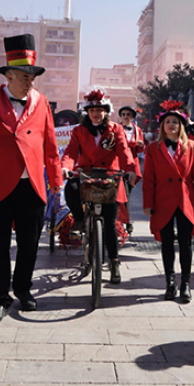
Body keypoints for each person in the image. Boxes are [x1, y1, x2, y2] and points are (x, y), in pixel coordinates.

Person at [0, 34, 63, 324]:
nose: (30, 81)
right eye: (24, 75)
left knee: (30, 245)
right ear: (8, 75)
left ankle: (23, 289)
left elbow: (51, 147)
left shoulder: (42, 102)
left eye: (32, 76)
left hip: (31, 185)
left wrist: (55, 180)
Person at [62, 88, 137, 285]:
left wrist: (130, 169)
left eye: (100, 110)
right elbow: (70, 152)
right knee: (70, 187)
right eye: (93, 110)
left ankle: (114, 263)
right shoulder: (78, 130)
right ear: (88, 111)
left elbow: (124, 151)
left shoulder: (116, 129)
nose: (96, 113)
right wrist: (65, 167)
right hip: (85, 174)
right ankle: (79, 219)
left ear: (106, 111)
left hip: (109, 177)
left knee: (110, 224)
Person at [142, 100, 194, 302]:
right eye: (168, 121)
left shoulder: (192, 146)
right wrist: (148, 203)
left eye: (175, 121)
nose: (171, 124)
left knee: (186, 242)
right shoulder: (153, 148)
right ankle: (170, 283)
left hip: (186, 200)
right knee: (166, 244)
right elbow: (149, 179)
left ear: (182, 126)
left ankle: (186, 284)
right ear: (162, 126)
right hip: (162, 201)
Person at [118, 105, 144, 234]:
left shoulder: (137, 130)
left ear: (132, 116)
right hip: (118, 164)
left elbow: (140, 149)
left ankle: (126, 221)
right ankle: (121, 221)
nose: (126, 116)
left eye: (128, 114)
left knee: (127, 195)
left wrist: (140, 145)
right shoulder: (115, 128)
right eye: (123, 114)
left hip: (132, 164)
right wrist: (133, 144)